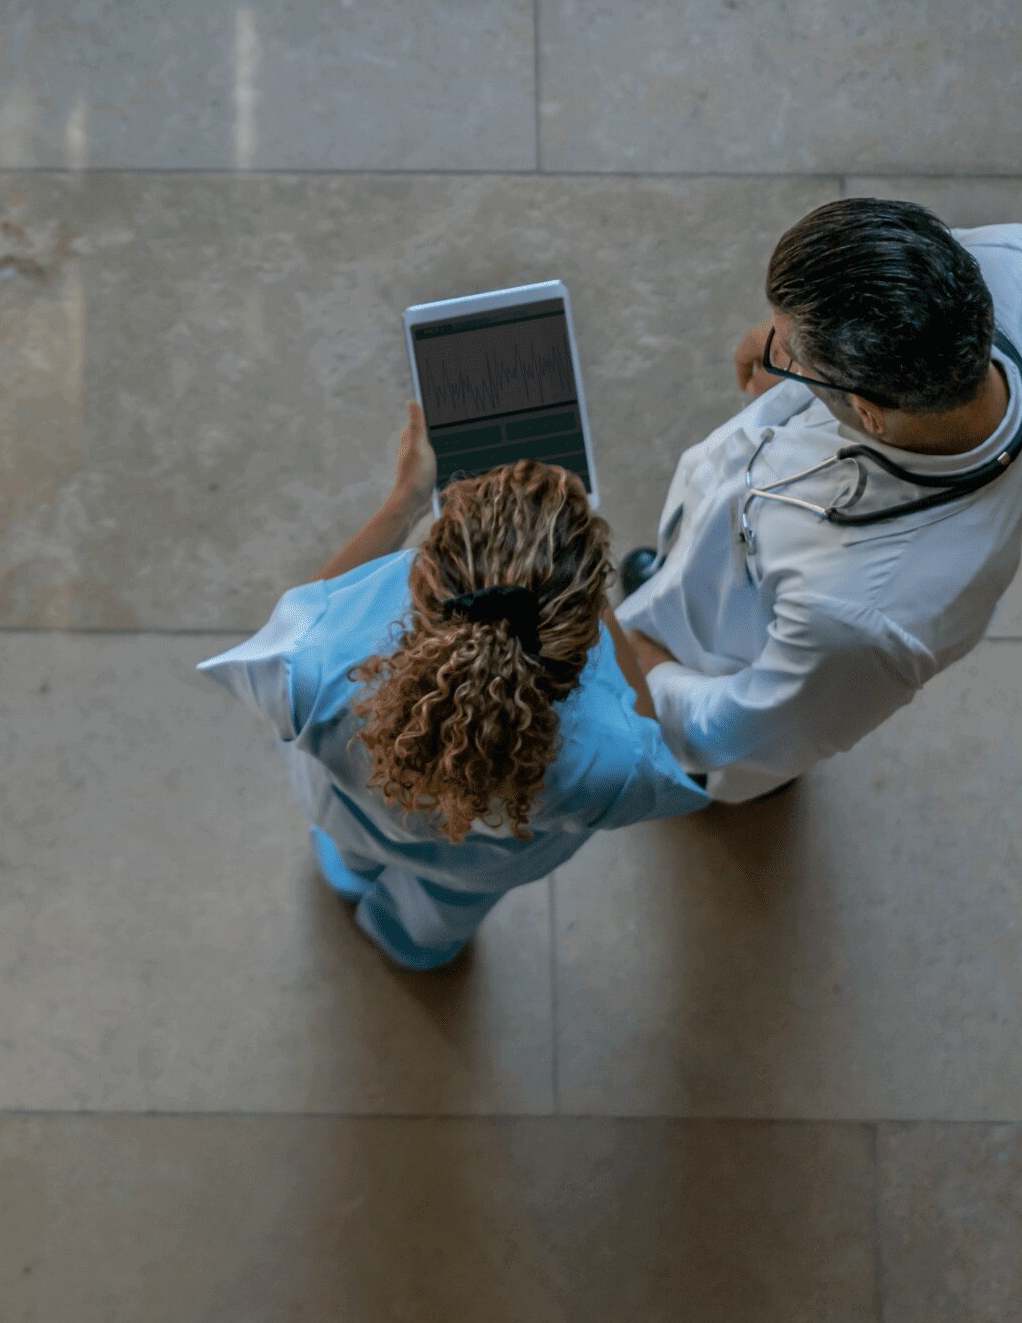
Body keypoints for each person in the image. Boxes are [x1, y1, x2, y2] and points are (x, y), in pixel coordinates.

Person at [611, 198, 1022, 803]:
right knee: (683, 567)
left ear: (870, 413)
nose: (763, 348)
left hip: (739, 660)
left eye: (788, 349)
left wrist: (640, 663)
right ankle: (668, 581)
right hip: (752, 548)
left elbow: (738, 729)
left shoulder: (853, 617)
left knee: (721, 731)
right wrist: (787, 335)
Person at [199, 410, 706, 970]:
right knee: (441, 913)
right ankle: (411, 946)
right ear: (577, 627)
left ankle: (348, 877)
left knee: (348, 853)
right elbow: (651, 745)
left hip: (352, 818)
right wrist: (595, 604)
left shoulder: (318, 664)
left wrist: (405, 500)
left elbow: (299, 623)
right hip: (479, 869)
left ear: (422, 577)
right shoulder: (614, 760)